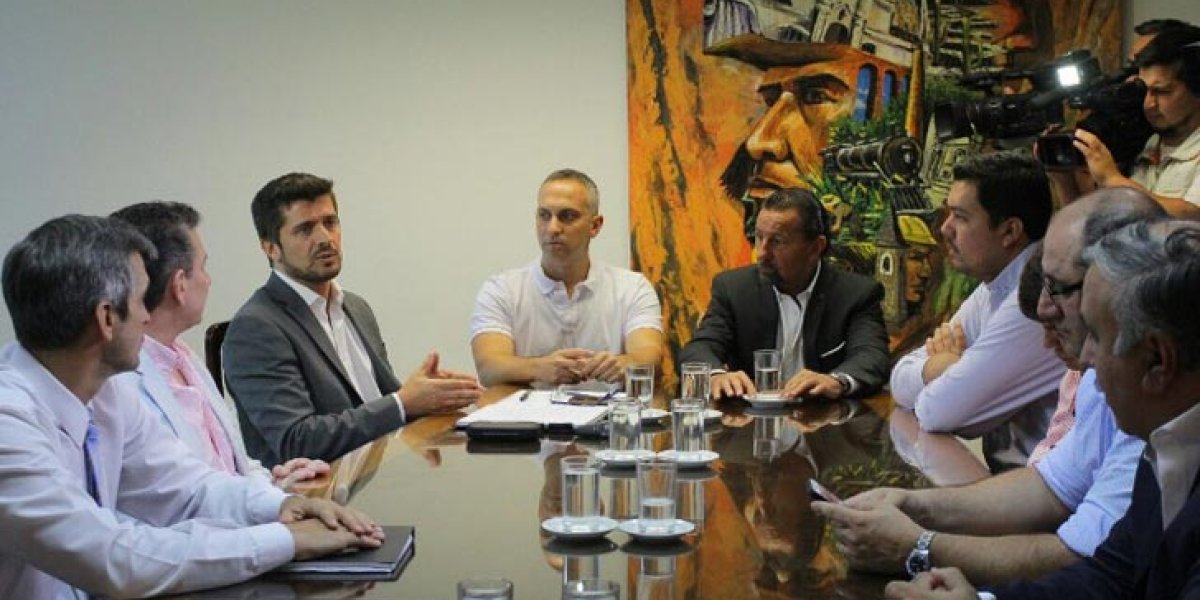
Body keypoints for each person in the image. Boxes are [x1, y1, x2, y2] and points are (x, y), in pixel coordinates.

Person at [0, 215, 381, 598]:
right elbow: (114, 558)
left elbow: (188, 489)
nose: (147, 316)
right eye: (140, 301)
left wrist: (284, 506)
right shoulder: (8, 424)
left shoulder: (107, 392)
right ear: (106, 318)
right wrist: (287, 540)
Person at [814, 189, 1164, 585]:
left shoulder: (1141, 383)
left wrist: (916, 547)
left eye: (1059, 287)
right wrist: (912, 504)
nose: (1042, 308)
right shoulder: (1101, 370)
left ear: (1119, 284)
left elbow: (1090, 562)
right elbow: (1049, 488)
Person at [883, 220, 1200, 600]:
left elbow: (1083, 557)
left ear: (1158, 360)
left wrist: (918, 545)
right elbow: (1108, 575)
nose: (1083, 359)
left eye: (1096, 337)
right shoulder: (1167, 440)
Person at [224, 172, 482, 466]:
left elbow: (385, 404)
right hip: (317, 488)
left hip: (380, 470)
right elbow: (296, 441)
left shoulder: (356, 307)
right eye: (305, 229)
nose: (325, 238)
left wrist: (431, 396)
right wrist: (404, 403)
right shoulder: (255, 328)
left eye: (330, 223)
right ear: (271, 248)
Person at [111, 201, 329, 489]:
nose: (208, 280)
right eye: (203, 267)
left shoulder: (182, 354)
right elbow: (184, 495)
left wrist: (275, 481)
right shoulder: (121, 384)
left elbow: (230, 462)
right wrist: (265, 499)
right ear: (179, 285)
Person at [890, 151, 1061, 469]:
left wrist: (951, 367)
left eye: (960, 217)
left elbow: (940, 412)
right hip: (1013, 482)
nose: (945, 229)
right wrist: (938, 367)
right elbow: (898, 380)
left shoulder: (1038, 298)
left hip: (1048, 492)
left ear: (1010, 232)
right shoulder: (995, 284)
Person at [679, 187, 889, 401]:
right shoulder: (733, 289)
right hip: (751, 417)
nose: (762, 253)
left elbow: (871, 356)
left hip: (823, 417)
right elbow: (700, 347)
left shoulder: (855, 294)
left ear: (816, 247)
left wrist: (836, 381)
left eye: (777, 241)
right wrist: (715, 375)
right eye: (759, 237)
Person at [470, 169, 664, 386]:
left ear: (595, 226)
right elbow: (489, 368)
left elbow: (651, 356)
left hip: (608, 407)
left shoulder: (632, 288)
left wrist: (623, 364)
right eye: (544, 215)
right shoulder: (501, 290)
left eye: (567, 216)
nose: (552, 228)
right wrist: (539, 368)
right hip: (527, 407)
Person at [1055, 27, 1200, 216]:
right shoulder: (1142, 143)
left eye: (1162, 92)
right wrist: (1063, 178)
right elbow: (1093, 221)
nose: (1149, 104)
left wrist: (1112, 179)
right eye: (1144, 91)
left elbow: (1192, 213)